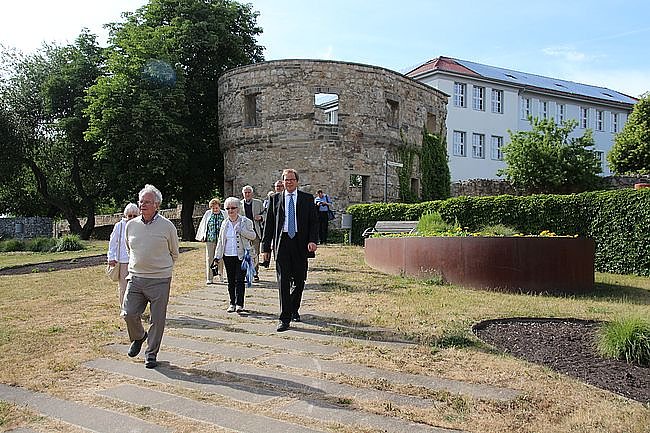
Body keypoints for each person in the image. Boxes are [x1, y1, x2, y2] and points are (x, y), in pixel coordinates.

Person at [122, 184, 179, 369]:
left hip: (160, 279)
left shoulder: (167, 226)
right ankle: (139, 336)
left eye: (147, 202)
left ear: (157, 205)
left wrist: (160, 267)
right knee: (129, 313)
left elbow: (174, 252)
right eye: (141, 202)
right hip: (136, 278)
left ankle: (151, 354)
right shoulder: (131, 225)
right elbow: (129, 248)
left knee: (157, 319)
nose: (142, 205)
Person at [261, 168, 318, 332]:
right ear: (283, 181)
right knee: (283, 281)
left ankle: (294, 307)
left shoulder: (307, 199)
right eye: (286, 180)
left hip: (300, 243)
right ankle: (284, 318)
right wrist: (265, 248)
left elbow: (314, 222)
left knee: (300, 280)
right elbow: (269, 225)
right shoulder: (275, 199)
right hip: (282, 243)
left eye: (292, 179)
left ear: (297, 181)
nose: (289, 182)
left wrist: (313, 240)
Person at [214, 196, 256, 313]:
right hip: (228, 255)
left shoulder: (246, 221)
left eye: (233, 208)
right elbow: (221, 241)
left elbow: (253, 236)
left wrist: (241, 231)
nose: (230, 211)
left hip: (241, 256)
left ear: (238, 209)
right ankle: (232, 303)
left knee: (239, 280)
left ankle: (239, 304)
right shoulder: (225, 223)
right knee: (231, 280)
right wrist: (217, 256)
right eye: (228, 208)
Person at [107, 203, 139, 307]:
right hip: (123, 261)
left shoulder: (140, 226)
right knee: (123, 287)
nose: (132, 218)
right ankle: (124, 308)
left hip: (137, 261)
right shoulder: (119, 226)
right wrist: (111, 258)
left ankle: (135, 309)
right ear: (126, 215)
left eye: (135, 215)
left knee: (136, 287)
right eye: (130, 215)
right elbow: (113, 243)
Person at [195, 198, 226, 284]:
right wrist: (202, 236)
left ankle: (221, 276)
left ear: (219, 207)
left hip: (221, 239)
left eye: (216, 207)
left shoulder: (224, 214)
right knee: (210, 258)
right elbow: (203, 225)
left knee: (220, 258)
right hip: (210, 239)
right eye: (213, 208)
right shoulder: (208, 214)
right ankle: (210, 278)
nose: (215, 209)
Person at [240, 185, 265, 283]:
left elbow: (266, 214)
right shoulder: (239, 204)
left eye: (249, 192)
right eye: (245, 193)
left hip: (255, 232)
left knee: (255, 254)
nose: (247, 194)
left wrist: (261, 217)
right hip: (244, 233)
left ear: (252, 193)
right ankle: (246, 274)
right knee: (245, 254)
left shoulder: (258, 203)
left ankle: (255, 273)